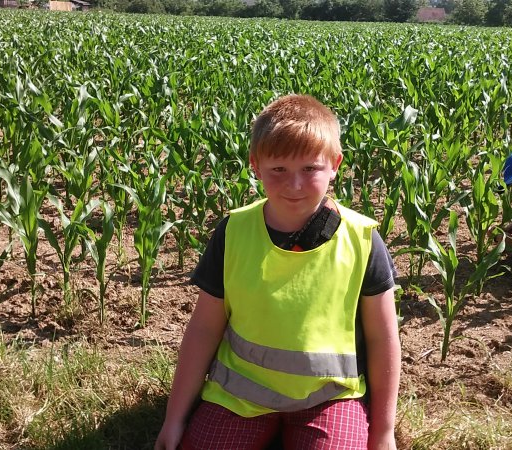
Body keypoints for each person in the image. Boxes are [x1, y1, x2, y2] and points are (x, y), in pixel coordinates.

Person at [155, 95, 401, 450]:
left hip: (328, 397)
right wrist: (174, 418)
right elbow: (204, 328)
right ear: (256, 166)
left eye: (310, 169)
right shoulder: (234, 232)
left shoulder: (361, 239)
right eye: (279, 170)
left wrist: (383, 431)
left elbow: (383, 337)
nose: (294, 184)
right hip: (240, 394)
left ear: (335, 164)